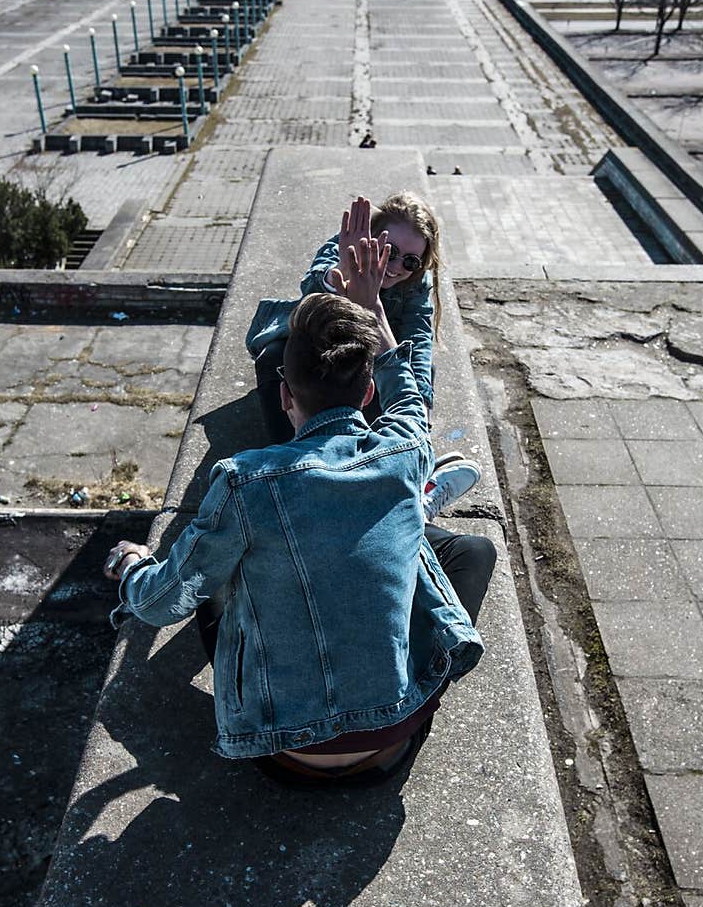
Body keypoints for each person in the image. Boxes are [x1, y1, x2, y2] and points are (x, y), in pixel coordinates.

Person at [105, 243, 495, 785]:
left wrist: (131, 568)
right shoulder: (405, 448)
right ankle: (414, 507)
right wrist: (373, 310)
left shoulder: (245, 481)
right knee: (468, 550)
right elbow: (411, 391)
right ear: (366, 394)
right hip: (392, 739)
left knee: (218, 569)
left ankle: (412, 509)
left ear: (285, 396)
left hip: (283, 755)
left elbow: (164, 601)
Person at [246, 193, 481, 519]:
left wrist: (420, 399)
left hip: (365, 370)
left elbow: (419, 335)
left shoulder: (414, 284)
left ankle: (404, 488)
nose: (397, 267)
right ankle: (292, 464)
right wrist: (344, 271)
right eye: (390, 251)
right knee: (275, 358)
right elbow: (313, 285)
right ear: (370, 238)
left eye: (410, 261)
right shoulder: (346, 248)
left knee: (397, 378)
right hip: (322, 362)